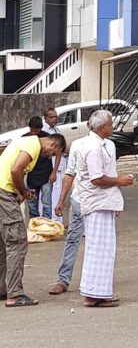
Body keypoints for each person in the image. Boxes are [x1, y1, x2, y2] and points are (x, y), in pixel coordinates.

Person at [0, 128, 65, 307]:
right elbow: (15, 170)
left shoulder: (28, 143)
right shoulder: (33, 144)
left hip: (5, 190)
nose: (49, 156)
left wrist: (20, 192)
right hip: (3, 192)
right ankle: (15, 293)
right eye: (53, 153)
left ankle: (3, 289)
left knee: (3, 241)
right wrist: (22, 191)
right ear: (52, 144)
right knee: (17, 240)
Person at [76, 109, 134, 307]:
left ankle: (96, 292)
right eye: (110, 124)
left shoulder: (102, 145)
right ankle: (95, 294)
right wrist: (120, 181)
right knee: (99, 249)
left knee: (102, 249)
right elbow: (97, 179)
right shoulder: (93, 147)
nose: (113, 126)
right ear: (102, 128)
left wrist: (116, 197)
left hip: (102, 202)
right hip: (96, 203)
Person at [49, 134, 89, 296]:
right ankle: (63, 279)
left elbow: (111, 175)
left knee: (96, 243)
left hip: (100, 204)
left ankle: (93, 280)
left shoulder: (108, 146)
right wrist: (60, 200)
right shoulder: (78, 145)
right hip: (79, 200)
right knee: (72, 239)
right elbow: (70, 174)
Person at [24, 116, 54, 221]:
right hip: (31, 177)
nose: (34, 133)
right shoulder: (24, 138)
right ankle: (34, 226)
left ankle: (47, 226)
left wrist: (54, 172)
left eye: (36, 131)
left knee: (47, 204)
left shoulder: (48, 138)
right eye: (32, 131)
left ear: (41, 129)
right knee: (32, 205)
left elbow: (59, 152)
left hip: (46, 176)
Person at [41, 107, 64, 221]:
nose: (54, 119)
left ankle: (56, 220)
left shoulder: (57, 130)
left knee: (56, 194)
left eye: (55, 116)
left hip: (56, 167)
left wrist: (55, 171)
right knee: (44, 196)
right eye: (51, 117)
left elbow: (59, 152)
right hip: (45, 168)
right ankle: (45, 220)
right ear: (45, 118)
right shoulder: (43, 132)